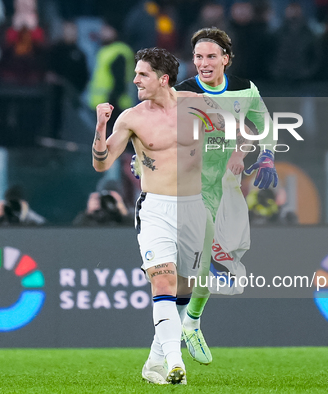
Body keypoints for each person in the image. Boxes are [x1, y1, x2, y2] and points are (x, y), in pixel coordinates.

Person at [92, 47, 217, 385]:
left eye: (143, 74)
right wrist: (101, 127)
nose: (135, 80)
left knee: (185, 287)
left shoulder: (197, 105)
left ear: (163, 79)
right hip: (155, 208)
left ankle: (155, 362)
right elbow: (101, 162)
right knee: (162, 280)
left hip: (194, 206)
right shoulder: (132, 117)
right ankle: (176, 364)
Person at [173, 27, 279, 365]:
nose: (204, 63)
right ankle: (177, 331)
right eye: (198, 57)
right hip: (188, 188)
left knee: (219, 264)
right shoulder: (180, 94)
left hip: (228, 189)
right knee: (197, 260)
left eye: (211, 57)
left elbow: (263, 126)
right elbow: (154, 132)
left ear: (225, 59)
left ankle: (189, 321)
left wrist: (261, 154)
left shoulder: (244, 90)